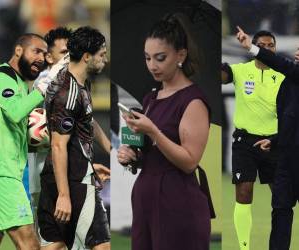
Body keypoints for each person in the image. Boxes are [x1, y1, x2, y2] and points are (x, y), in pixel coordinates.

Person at [117, 13, 213, 250]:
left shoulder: (193, 101)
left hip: (178, 201)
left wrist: (154, 132)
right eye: (147, 58)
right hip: (145, 198)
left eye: (160, 58)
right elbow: (152, 155)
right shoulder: (150, 98)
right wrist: (132, 157)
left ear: (181, 55)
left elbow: (190, 162)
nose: (152, 65)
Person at [37, 26, 110, 250]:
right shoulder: (66, 93)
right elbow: (59, 146)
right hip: (72, 182)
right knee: (102, 246)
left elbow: (86, 119)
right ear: (87, 56)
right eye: (102, 54)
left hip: (67, 177)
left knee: (56, 245)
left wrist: (110, 149)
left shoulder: (81, 82)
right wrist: (64, 195)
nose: (105, 60)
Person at [236, 26, 299, 250]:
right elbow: (292, 121)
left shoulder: (290, 72)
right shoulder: (290, 81)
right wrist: (275, 139)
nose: (298, 52)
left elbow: (280, 64)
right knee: (281, 211)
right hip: (286, 158)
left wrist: (252, 48)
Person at [222, 30, 285, 249]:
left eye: (271, 45)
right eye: (263, 45)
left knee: (281, 198)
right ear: (253, 48)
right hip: (245, 142)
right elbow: (222, 75)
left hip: (274, 142)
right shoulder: (241, 70)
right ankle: (244, 247)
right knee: (244, 192)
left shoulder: (285, 74)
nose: (268, 49)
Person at [0, 33, 48, 249]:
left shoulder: (20, 83)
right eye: (36, 51)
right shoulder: (3, 77)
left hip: (9, 172)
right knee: (29, 243)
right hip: (4, 175)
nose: (42, 58)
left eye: (45, 54)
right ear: (18, 51)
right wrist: (42, 90)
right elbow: (15, 113)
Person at [27, 26, 72, 230]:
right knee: (45, 231)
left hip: (68, 163)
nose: (69, 58)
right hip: (42, 164)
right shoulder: (44, 79)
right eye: (64, 53)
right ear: (50, 57)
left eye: (72, 52)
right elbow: (33, 125)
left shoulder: (75, 83)